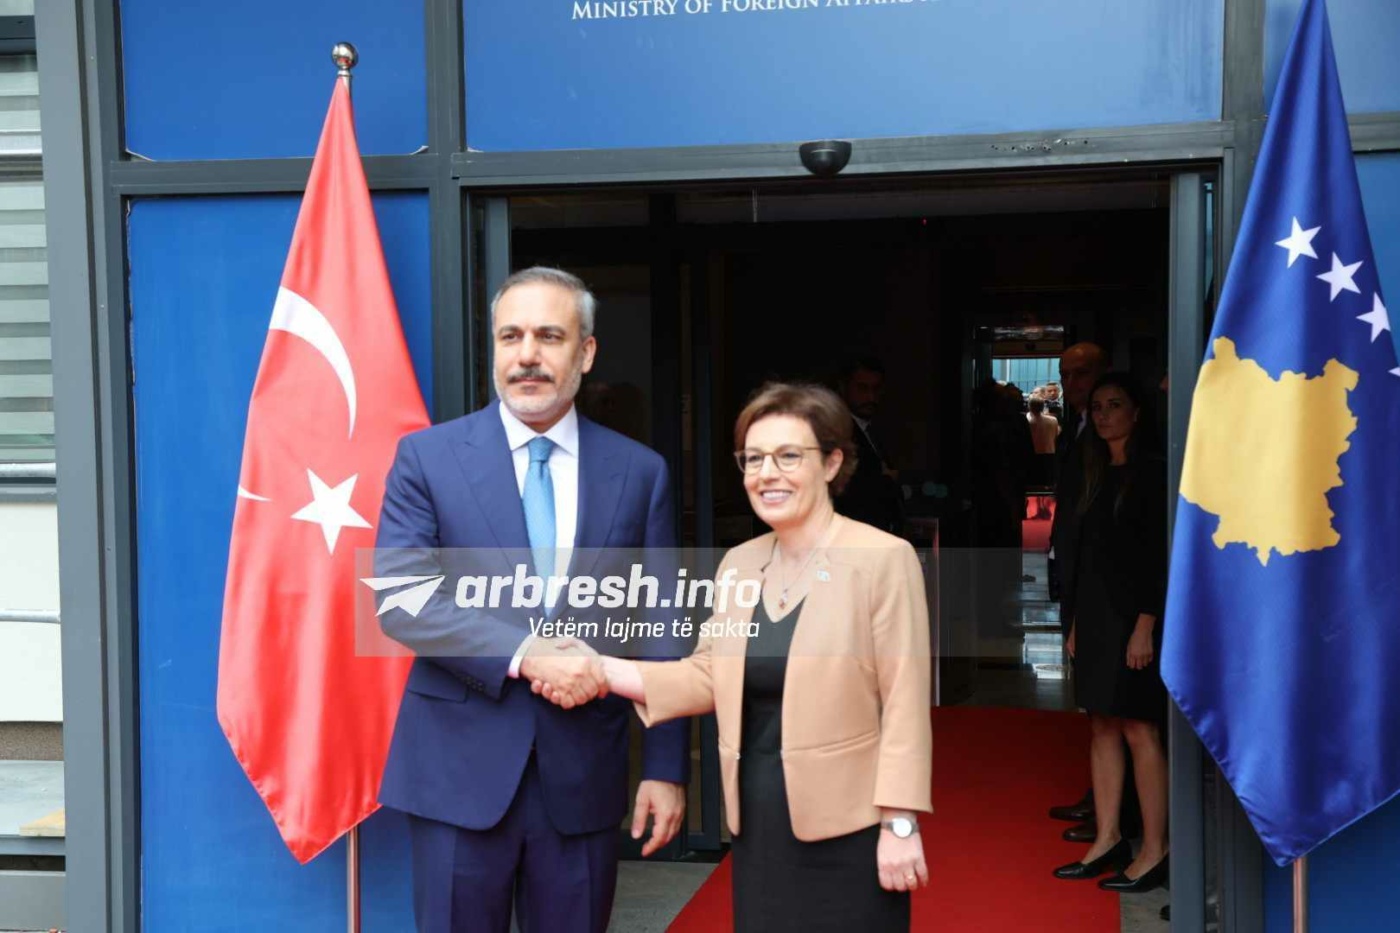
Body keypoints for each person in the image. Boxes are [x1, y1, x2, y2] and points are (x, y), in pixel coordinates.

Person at [539, 382, 933, 932]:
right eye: (753, 458)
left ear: (831, 463)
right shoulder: (739, 566)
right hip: (759, 825)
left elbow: (905, 702)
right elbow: (706, 672)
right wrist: (600, 668)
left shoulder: (882, 559)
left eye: (788, 456)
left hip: (852, 828)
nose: (766, 473)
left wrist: (899, 825)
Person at [374, 267, 689, 933]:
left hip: (583, 775)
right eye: (510, 336)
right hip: (457, 775)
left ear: (586, 351)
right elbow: (402, 599)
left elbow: (661, 624)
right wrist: (527, 653)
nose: (527, 356)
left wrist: (666, 766)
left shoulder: (640, 472)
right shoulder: (427, 459)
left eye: (549, 336)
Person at [1052, 372, 1169, 892]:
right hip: (1096, 616)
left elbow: (1157, 557)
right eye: (1097, 406)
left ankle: (1155, 849)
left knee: (1139, 728)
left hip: (1135, 618)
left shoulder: (1153, 473)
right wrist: (1076, 622)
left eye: (1115, 405)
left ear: (1136, 413)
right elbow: (1086, 556)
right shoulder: (1094, 471)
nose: (1103, 415)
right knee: (1100, 723)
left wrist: (1146, 624)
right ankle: (1107, 837)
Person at [834, 358, 904, 534]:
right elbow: (849, 492)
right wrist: (887, 481)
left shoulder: (869, 430)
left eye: (876, 389)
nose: (871, 397)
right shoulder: (838, 430)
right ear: (843, 387)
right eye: (862, 388)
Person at [1026, 396, 1060, 518]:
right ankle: (1045, 508)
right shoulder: (1053, 420)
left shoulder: (1027, 421)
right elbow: (1056, 436)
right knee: (1048, 484)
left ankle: (1038, 509)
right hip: (1049, 453)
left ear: (1030, 407)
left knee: (1034, 485)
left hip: (1033, 455)